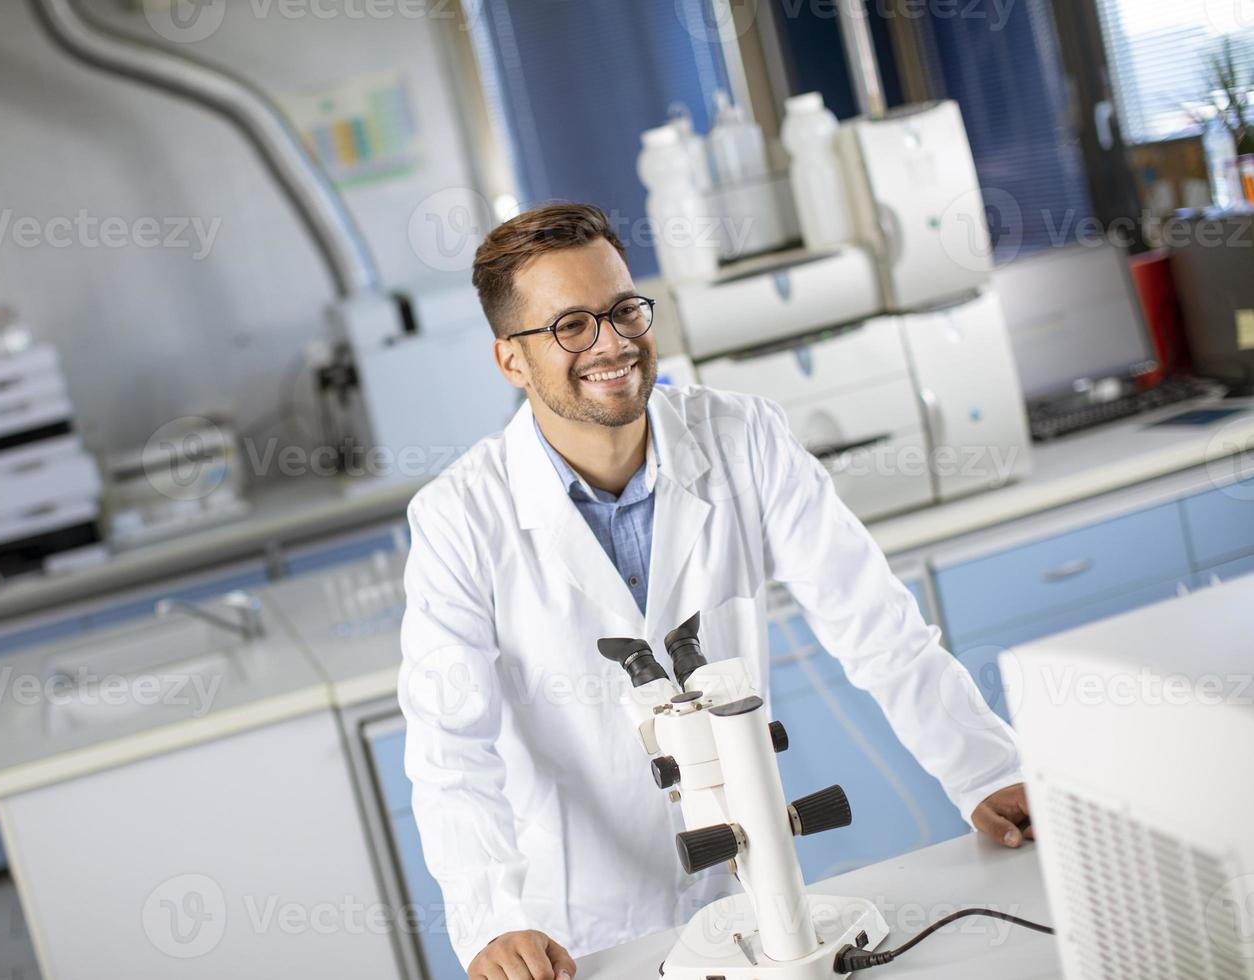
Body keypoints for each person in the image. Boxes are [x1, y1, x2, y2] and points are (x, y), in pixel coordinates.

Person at [399, 203, 1030, 980]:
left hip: (754, 890)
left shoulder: (744, 438)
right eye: (571, 326)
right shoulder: (460, 518)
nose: (613, 342)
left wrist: (984, 768)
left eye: (625, 308)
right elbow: (449, 748)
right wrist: (492, 919)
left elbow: (875, 622)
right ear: (512, 361)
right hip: (588, 930)